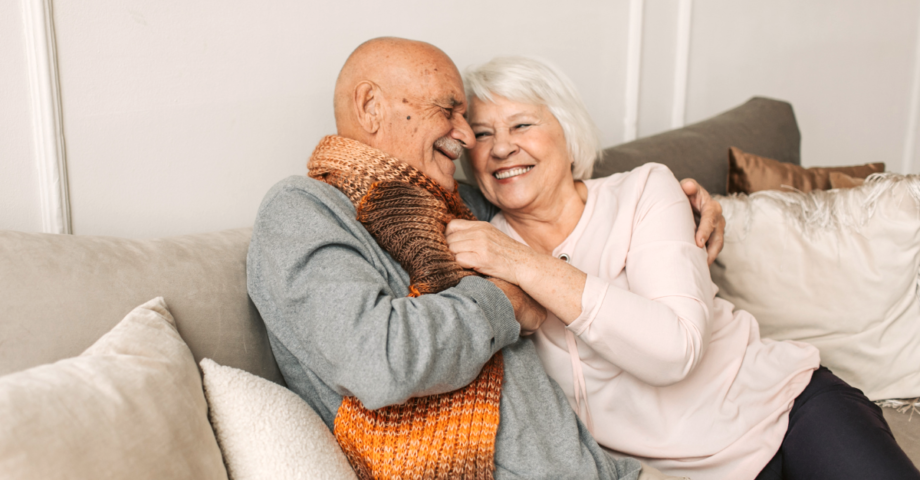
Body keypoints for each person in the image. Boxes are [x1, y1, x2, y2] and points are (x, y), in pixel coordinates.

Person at [247, 37, 720, 479]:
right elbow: (378, 361)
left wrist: (687, 209)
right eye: (450, 112)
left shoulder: (461, 204)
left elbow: (562, 200)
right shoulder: (303, 210)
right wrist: (505, 300)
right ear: (371, 106)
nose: (468, 139)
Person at [445, 55, 920, 480]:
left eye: (522, 125)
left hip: (787, 412)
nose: (501, 148)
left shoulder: (644, 191)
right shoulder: (479, 243)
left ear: (568, 134)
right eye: (483, 134)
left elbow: (673, 350)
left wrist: (526, 265)